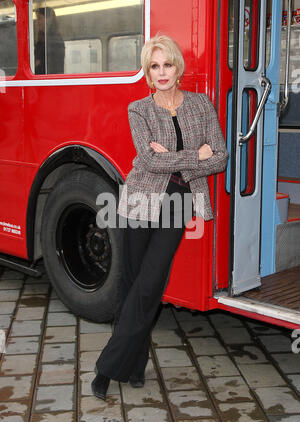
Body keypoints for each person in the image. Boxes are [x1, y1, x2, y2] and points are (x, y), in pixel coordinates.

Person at [91, 34, 229, 400]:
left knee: (151, 284)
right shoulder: (139, 109)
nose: (162, 72)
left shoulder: (201, 104)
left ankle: (107, 366)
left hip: (179, 199)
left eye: (167, 64)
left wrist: (176, 155)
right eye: (155, 66)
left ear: (176, 67)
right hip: (139, 200)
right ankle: (134, 366)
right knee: (132, 283)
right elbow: (149, 161)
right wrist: (194, 156)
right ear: (148, 73)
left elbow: (221, 157)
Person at [34, 7, 65, 75]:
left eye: (39, 18)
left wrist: (37, 63)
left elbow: (53, 66)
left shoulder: (54, 39)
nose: (37, 22)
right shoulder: (41, 40)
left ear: (48, 20)